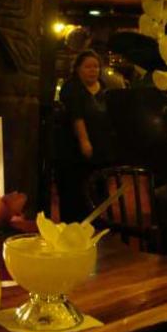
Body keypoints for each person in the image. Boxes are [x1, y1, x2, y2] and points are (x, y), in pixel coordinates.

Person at [54, 50, 116, 222]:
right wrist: (84, 141)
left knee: (98, 192)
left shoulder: (103, 88)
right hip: (74, 150)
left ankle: (96, 225)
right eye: (88, 67)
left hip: (100, 148)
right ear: (78, 69)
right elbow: (76, 116)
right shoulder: (71, 87)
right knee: (76, 192)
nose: (93, 70)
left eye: (96, 67)